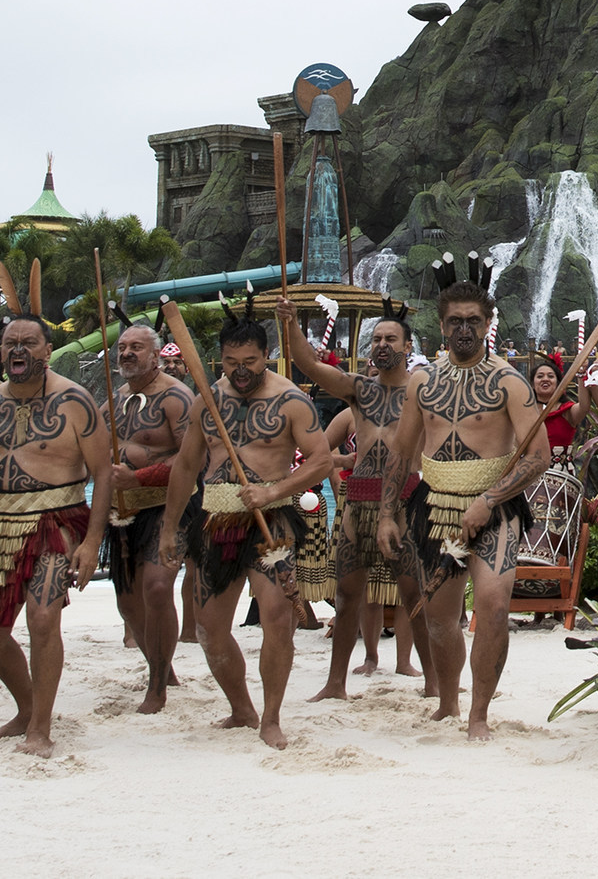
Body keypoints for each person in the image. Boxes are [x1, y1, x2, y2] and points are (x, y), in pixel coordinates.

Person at [0, 313, 111, 755]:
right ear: (1, 354)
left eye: (29, 342)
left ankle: (41, 729)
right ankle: (26, 709)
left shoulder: (75, 401)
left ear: (47, 350)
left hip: (57, 521)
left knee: (43, 617)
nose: (18, 349)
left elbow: (104, 474)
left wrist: (92, 542)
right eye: (11, 343)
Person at [159, 313, 331, 749]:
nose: (240, 369)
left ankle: (271, 717)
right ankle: (241, 707)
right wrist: (168, 529)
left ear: (266, 356)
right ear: (219, 359)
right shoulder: (207, 400)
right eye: (231, 360)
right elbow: (185, 466)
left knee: (277, 617)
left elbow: (321, 462)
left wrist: (273, 489)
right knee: (209, 628)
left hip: (271, 520)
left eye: (250, 360)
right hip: (215, 520)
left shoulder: (292, 401)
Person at [385, 278, 545, 741]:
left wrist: (490, 499)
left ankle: (478, 714)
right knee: (439, 619)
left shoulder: (509, 382)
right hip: (434, 507)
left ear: (488, 324)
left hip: (496, 508)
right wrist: (385, 514)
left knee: (493, 609)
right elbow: (400, 453)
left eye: (473, 321)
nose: (463, 330)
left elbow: (539, 455)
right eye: (455, 321)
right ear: (440, 325)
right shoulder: (422, 382)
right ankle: (448, 700)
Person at [292, 313, 425, 704]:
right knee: (349, 595)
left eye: (391, 339)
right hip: (359, 501)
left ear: (407, 347)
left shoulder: (421, 392)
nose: (382, 345)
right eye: (376, 339)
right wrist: (290, 324)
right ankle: (336, 683)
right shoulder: (358, 391)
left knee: (415, 594)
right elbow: (308, 366)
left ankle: (434, 679)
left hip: (405, 501)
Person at [99, 322, 194, 709]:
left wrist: (140, 475)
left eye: (136, 347)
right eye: (122, 347)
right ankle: (161, 664)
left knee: (157, 588)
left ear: (156, 355)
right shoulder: (111, 400)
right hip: (121, 511)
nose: (126, 353)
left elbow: (192, 459)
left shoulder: (177, 397)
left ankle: (157, 686)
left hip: (168, 506)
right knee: (127, 603)